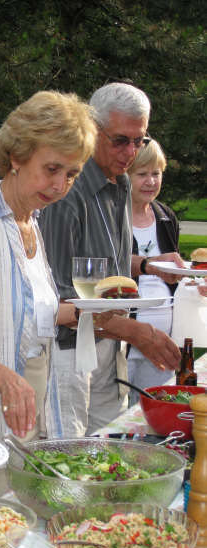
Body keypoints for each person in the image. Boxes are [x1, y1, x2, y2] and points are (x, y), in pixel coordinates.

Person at [0, 90, 97, 449]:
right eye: (52, 169)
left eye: (72, 174)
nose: (60, 185)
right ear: (17, 156)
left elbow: (27, 316)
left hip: (34, 411)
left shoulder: (31, 224)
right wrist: (4, 379)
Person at [40, 82, 181, 436]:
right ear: (92, 128)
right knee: (69, 460)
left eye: (140, 140)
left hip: (108, 345)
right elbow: (58, 297)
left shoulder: (119, 182)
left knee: (108, 448)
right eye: (120, 140)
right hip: (68, 351)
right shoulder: (67, 190)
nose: (131, 151)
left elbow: (111, 277)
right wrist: (136, 332)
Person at [127, 139, 182, 404]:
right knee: (118, 415)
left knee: (155, 409)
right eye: (141, 174)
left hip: (163, 340)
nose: (150, 181)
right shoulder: (116, 216)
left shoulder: (165, 217)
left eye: (156, 173)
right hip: (124, 339)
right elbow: (110, 263)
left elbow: (176, 275)